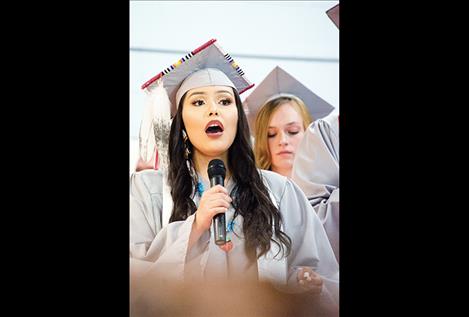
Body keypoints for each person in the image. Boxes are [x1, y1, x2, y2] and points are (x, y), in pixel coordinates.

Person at [130, 39, 339, 315]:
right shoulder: (148, 191)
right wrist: (192, 229)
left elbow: (321, 271)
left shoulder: (280, 191)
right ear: (181, 125)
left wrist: (310, 287)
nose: (213, 110)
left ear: (238, 119)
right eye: (199, 102)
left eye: (225, 101)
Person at [243, 66, 334, 178]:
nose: (283, 141)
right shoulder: (246, 191)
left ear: (308, 133)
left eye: (293, 131)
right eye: (271, 134)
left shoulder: (331, 191)